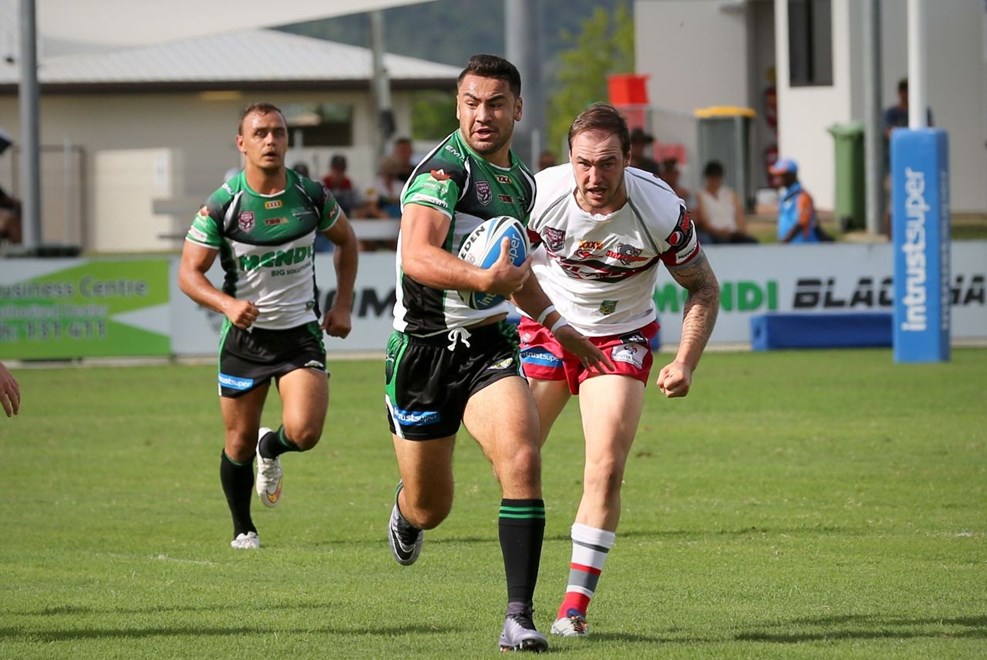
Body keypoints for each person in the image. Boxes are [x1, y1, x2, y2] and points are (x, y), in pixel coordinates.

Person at [383, 53, 608, 654]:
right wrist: (484, 280)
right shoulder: (442, 174)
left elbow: (516, 275)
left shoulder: (522, 184)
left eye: (496, 103)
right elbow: (417, 256)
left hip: (488, 346)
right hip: (423, 352)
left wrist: (560, 327)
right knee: (433, 506)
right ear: (458, 107)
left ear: (517, 109)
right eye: (471, 103)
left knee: (523, 460)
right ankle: (407, 510)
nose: (483, 115)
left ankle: (518, 618)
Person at [516, 102, 720, 638]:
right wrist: (548, 320)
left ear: (628, 159)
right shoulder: (539, 195)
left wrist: (686, 361)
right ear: (569, 159)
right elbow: (508, 270)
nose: (594, 176)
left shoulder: (661, 209)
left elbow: (704, 286)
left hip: (619, 337)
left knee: (605, 466)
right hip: (547, 326)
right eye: (584, 163)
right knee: (513, 458)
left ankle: (573, 609)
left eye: (607, 163)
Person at [178, 102, 358, 550]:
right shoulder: (223, 204)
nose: (270, 140)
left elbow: (347, 241)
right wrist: (226, 305)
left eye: (278, 132)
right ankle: (243, 528)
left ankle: (271, 448)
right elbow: (188, 273)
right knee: (237, 441)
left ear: (287, 140)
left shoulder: (310, 195)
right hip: (245, 341)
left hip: (300, 334)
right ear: (241, 143)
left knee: (305, 432)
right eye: (260, 133)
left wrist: (343, 305)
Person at [693, 160, 758, 244]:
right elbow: (704, 221)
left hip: (733, 234)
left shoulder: (730, 194)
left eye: (717, 177)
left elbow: (739, 216)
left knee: (752, 242)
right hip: (714, 234)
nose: (715, 180)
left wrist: (740, 231)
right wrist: (719, 232)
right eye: (713, 177)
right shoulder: (701, 196)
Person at [770, 158, 824, 243]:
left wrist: (784, 242)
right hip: (789, 247)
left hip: (803, 246)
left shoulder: (802, 196)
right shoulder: (786, 196)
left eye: (779, 175)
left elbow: (801, 223)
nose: (776, 179)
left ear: (790, 176)